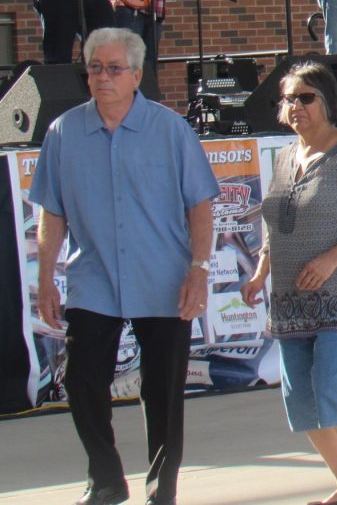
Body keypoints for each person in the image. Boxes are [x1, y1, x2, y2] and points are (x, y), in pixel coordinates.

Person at [30, 27, 221, 505]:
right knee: (82, 381)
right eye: (95, 67)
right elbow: (51, 210)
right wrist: (45, 279)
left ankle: (163, 490)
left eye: (114, 69)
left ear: (137, 75)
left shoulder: (170, 129)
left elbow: (201, 204)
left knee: (162, 391)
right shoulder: (64, 132)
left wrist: (199, 270)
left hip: (164, 279)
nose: (102, 78)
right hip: (93, 279)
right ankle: (107, 479)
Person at [241, 61, 337, 505]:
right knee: (302, 401)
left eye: (305, 97)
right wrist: (261, 271)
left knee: (332, 387)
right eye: (288, 98)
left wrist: (332, 259)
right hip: (291, 296)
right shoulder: (285, 157)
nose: (295, 106)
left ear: (327, 102)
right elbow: (276, 222)